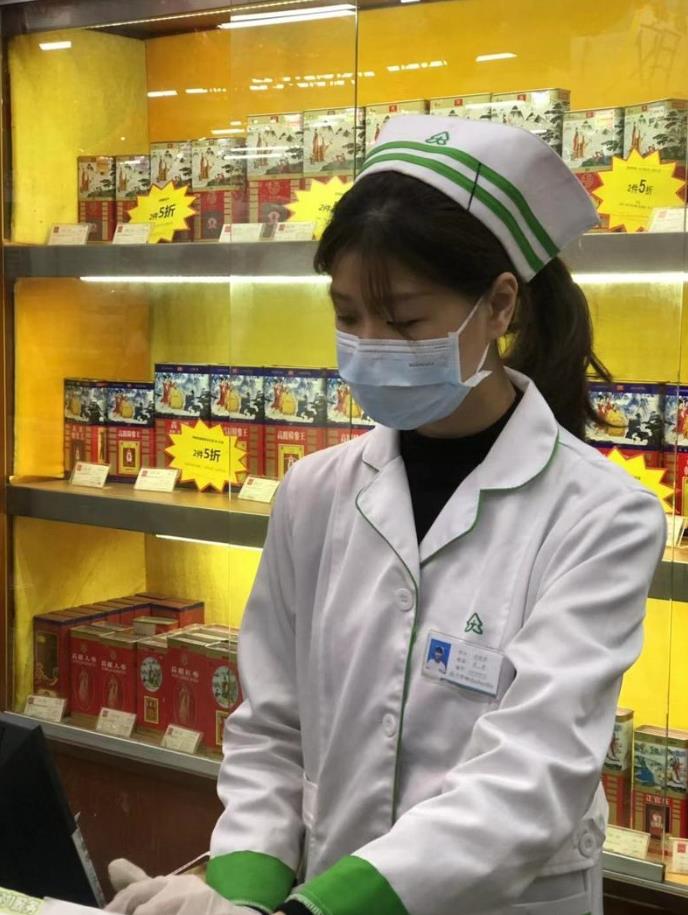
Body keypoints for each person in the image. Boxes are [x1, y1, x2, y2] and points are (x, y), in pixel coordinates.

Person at [107, 115, 666, 915]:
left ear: (499, 304)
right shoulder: (314, 492)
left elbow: (529, 777)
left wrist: (308, 914)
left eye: (403, 319)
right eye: (347, 317)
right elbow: (274, 729)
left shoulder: (602, 515)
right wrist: (240, 898)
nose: (370, 344)